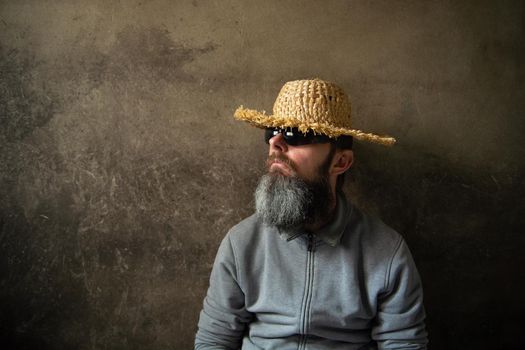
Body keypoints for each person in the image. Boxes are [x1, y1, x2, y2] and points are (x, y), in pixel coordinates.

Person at [195, 79, 428, 349]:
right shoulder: (241, 242)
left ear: (341, 162)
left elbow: (404, 345)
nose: (276, 143)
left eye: (297, 134)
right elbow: (214, 340)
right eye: (272, 132)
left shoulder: (387, 252)